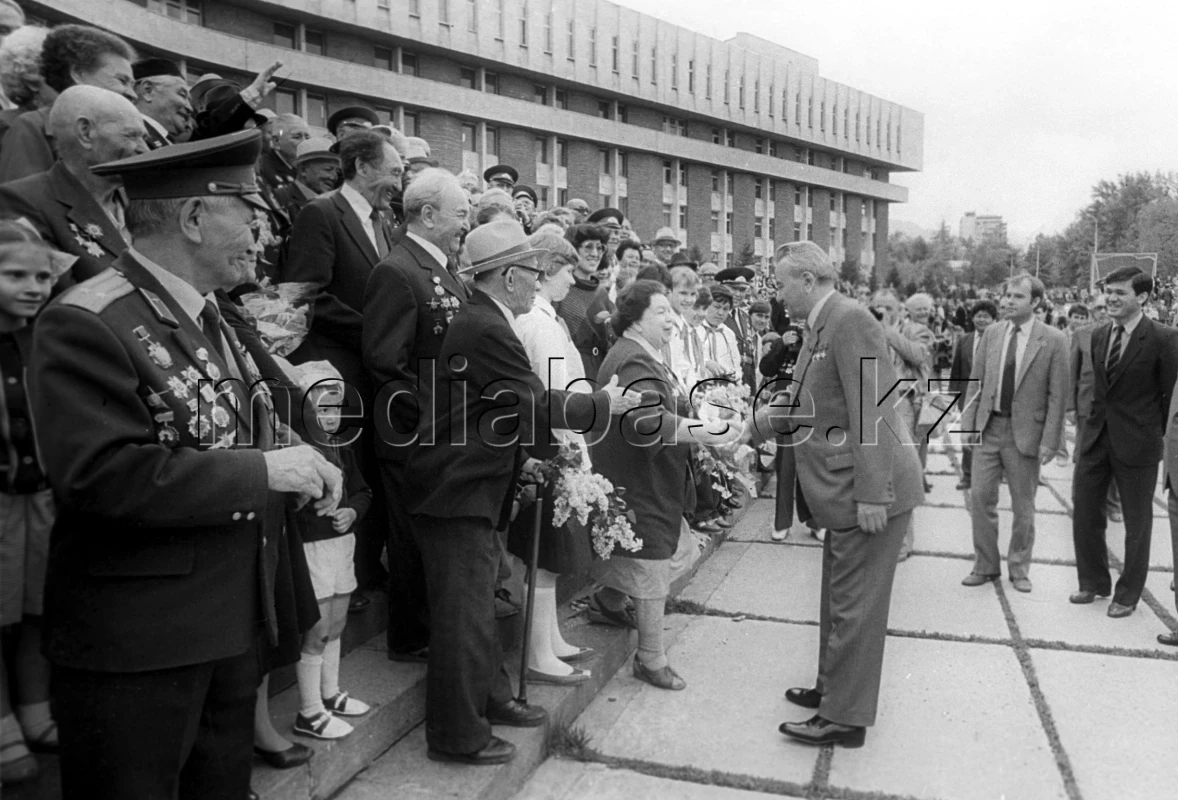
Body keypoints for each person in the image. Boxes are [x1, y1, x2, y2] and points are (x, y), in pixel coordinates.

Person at [28, 129, 344, 800]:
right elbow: (102, 476)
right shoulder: (89, 319)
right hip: (141, 645)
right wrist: (267, 472)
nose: (261, 235)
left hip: (226, 627)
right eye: (250, 214)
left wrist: (302, 451)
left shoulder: (210, 315)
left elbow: (239, 423)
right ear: (194, 217)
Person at [403, 220, 641, 765]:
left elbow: (497, 410)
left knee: (478, 604)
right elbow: (531, 403)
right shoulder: (488, 326)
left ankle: (492, 699)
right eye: (533, 272)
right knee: (463, 615)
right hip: (455, 491)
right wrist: (606, 404)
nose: (538, 282)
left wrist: (523, 461)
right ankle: (457, 735)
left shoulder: (487, 320)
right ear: (508, 275)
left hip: (472, 483)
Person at [771, 241, 923, 749]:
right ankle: (832, 688)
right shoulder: (822, 322)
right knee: (839, 598)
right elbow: (803, 402)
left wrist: (874, 494)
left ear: (808, 280)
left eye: (781, 282)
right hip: (842, 490)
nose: (778, 292)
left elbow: (873, 410)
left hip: (867, 490)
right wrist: (746, 428)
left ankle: (845, 717)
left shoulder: (849, 318)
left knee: (856, 605)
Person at [592, 280, 742, 692]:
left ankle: (607, 601)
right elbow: (644, 425)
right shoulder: (635, 362)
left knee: (642, 549)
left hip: (640, 475)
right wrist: (704, 431)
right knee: (652, 559)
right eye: (660, 312)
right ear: (635, 319)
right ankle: (650, 658)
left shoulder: (636, 353)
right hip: (641, 478)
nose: (671, 320)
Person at [364, 168, 470, 663]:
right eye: (460, 215)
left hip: (442, 431)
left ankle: (424, 630)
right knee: (410, 541)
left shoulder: (438, 266)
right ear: (427, 215)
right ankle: (410, 638)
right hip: (412, 435)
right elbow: (388, 364)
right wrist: (432, 425)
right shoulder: (397, 270)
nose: (464, 225)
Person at [507, 232, 596, 684]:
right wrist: (569, 449)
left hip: (554, 437)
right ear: (546, 272)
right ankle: (538, 654)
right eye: (566, 273)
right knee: (541, 553)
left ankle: (551, 640)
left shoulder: (548, 318)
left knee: (550, 553)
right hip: (549, 441)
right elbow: (550, 395)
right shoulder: (540, 324)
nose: (570, 283)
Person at [1070, 266, 1178, 618]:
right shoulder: (1099, 335)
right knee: (1085, 510)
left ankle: (1128, 593)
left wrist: (1152, 436)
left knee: (1137, 521)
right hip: (1096, 438)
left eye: (1120, 293)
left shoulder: (1164, 338)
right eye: (1108, 292)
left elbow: (1169, 398)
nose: (1111, 298)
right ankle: (1093, 582)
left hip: (1139, 444)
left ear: (1143, 297)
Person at [959, 274, 1068, 594]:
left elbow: (1057, 396)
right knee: (980, 498)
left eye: (1016, 297)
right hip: (989, 428)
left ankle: (1019, 568)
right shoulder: (991, 334)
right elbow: (975, 385)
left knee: (1023, 506)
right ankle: (985, 565)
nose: (1006, 301)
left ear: (1035, 302)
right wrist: (966, 426)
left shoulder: (1054, 339)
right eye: (1005, 295)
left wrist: (1051, 440)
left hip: (1025, 433)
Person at [0, 224, 60, 786]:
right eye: (15, 275)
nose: (33, 286)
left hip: (40, 498)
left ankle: (37, 709)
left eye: (43, 276)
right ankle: (3, 725)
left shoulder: (44, 339)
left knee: (38, 610)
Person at [289, 362, 373, 740]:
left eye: (336, 408)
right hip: (313, 549)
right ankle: (309, 711)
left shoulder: (343, 448)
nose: (331, 416)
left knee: (337, 625)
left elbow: (362, 491)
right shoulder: (298, 450)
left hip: (342, 545)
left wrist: (352, 511)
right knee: (317, 629)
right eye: (323, 408)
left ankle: (330, 692)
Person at [0, 85, 146, 285]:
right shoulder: (24, 201)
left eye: (144, 138)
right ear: (85, 133)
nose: (144, 150)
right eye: (130, 136)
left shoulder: (142, 201)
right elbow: (55, 300)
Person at [0, 24, 136, 183]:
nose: (56, 81)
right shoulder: (26, 126)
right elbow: (24, 200)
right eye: (122, 80)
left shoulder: (111, 129)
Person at [870, 288, 933, 561]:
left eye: (889, 307)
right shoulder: (865, 329)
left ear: (900, 310)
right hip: (871, 405)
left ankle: (903, 542)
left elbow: (919, 356)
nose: (883, 311)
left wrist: (888, 332)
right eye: (877, 306)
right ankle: (878, 536)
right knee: (874, 471)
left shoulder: (915, 330)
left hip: (904, 405)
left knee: (902, 474)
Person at [948, 299, 997, 490]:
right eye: (979, 316)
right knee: (967, 434)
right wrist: (953, 395)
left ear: (994, 319)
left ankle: (992, 475)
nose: (982, 320)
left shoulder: (999, 340)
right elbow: (957, 369)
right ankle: (967, 476)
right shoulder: (965, 340)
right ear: (972, 318)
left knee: (990, 436)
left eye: (987, 316)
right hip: (967, 396)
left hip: (991, 396)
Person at [558, 223, 611, 378]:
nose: (595, 253)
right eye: (588, 247)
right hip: (571, 369)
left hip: (600, 371)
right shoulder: (562, 289)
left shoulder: (601, 292)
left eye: (600, 247)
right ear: (573, 249)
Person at [274, 136, 340, 221]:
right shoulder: (280, 199)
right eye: (328, 169)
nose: (334, 177)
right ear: (303, 170)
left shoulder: (334, 204)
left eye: (337, 171)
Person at [132, 57, 192, 148]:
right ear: (148, 91)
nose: (190, 108)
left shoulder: (160, 140)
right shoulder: (133, 138)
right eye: (182, 95)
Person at [259, 113, 309, 193]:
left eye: (307, 138)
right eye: (297, 137)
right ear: (276, 141)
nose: (304, 142)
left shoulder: (307, 168)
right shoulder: (262, 168)